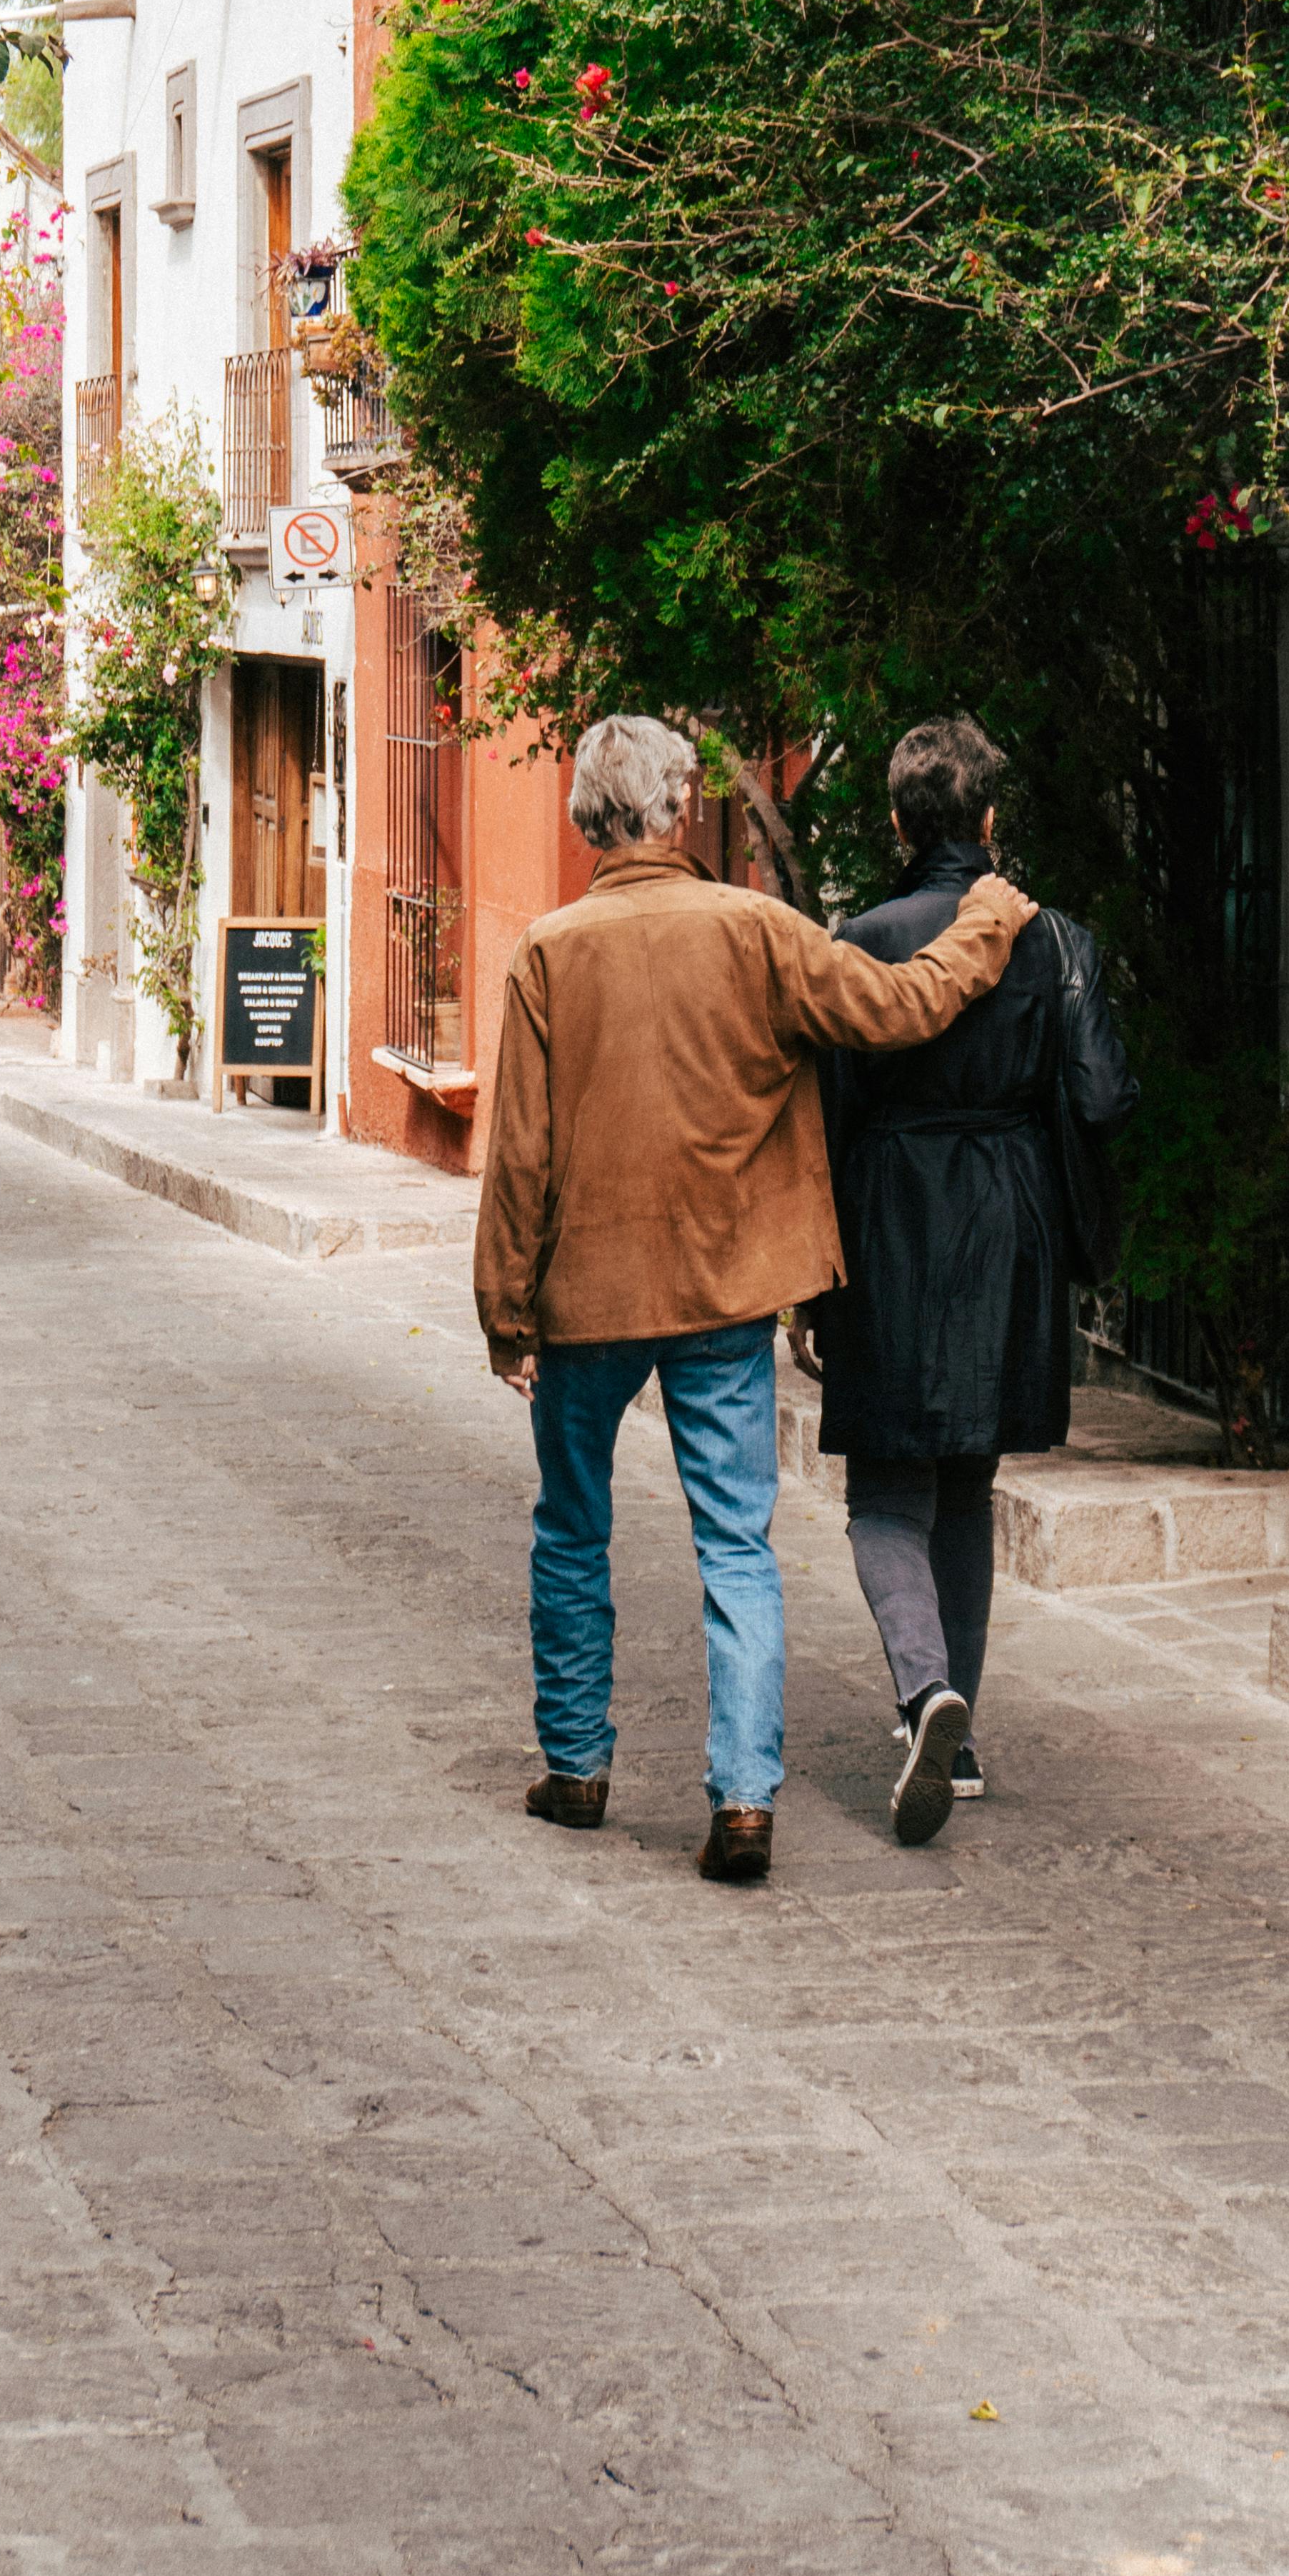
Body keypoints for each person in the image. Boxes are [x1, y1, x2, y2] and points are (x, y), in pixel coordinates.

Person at [474, 713, 1037, 1888]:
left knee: (570, 1529)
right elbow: (899, 1008)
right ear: (681, 808)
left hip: (586, 1294)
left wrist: (504, 1310)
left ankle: (576, 1765)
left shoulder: (548, 951)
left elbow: (519, 1155)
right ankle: (741, 1801)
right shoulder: (753, 930)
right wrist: (985, 910)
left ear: (589, 818)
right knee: (735, 1542)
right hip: (725, 1287)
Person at [796, 712, 1138, 1846]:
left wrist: (813, 1280)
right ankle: (963, 1732)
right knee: (965, 1487)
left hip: (891, 1212)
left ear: (897, 820)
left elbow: (828, 1117)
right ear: (990, 819)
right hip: (1008, 1218)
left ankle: (921, 1692)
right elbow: (1097, 1100)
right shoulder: (1055, 942)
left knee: (884, 1490)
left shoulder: (863, 936)